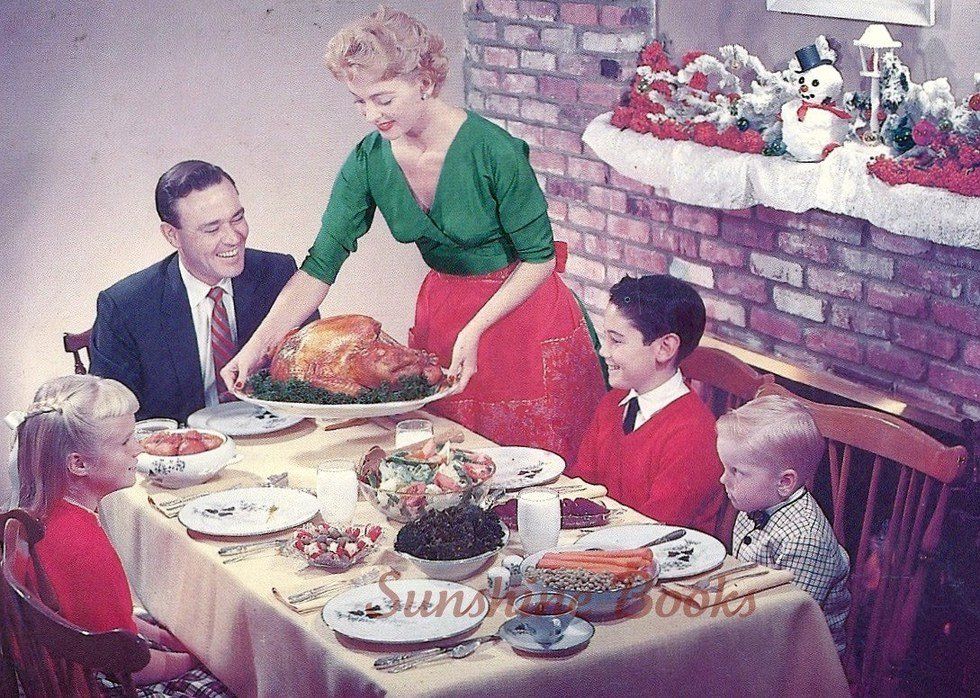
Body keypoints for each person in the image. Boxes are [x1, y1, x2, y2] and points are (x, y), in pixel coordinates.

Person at [221, 6, 604, 462]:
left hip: (523, 315)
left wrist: (475, 329)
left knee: (531, 469)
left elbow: (540, 258)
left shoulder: (494, 150)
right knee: (446, 464)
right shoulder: (368, 160)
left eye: (382, 99)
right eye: (359, 102)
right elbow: (319, 267)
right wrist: (257, 346)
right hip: (444, 315)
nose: (371, 115)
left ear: (424, 82)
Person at [8, 375, 232, 695]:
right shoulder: (83, 548)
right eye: (125, 442)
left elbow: (102, 621)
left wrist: (165, 638)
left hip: (82, 657)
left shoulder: (50, 514)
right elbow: (127, 665)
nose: (138, 449)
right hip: (95, 684)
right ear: (78, 464)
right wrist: (195, 662)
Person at [90, 160, 317, 423]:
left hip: (278, 435)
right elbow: (111, 419)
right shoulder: (125, 306)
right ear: (172, 235)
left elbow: (313, 375)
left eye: (237, 218)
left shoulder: (278, 273)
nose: (233, 238)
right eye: (212, 229)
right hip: (183, 444)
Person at [569, 274, 726, 532]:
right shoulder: (613, 403)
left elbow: (655, 530)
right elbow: (581, 487)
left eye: (616, 340)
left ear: (665, 348)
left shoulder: (694, 433)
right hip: (604, 541)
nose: (603, 351)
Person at [717, 395, 850, 653]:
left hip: (802, 654)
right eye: (725, 467)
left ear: (785, 482)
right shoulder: (758, 502)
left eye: (736, 471)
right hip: (753, 620)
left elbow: (791, 622)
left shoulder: (805, 539)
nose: (723, 479)